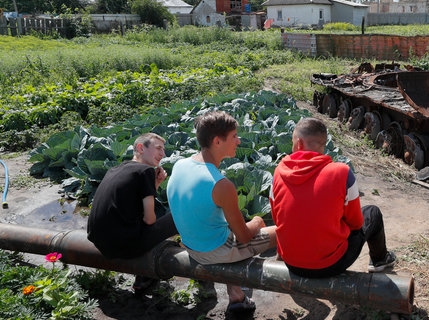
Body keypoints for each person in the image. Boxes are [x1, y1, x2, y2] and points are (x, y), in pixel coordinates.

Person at [166, 110, 277, 314]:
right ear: (217, 141)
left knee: (227, 227)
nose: (238, 140)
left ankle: (237, 294)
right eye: (234, 136)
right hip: (213, 251)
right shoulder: (220, 184)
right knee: (280, 231)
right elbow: (243, 236)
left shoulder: (180, 164)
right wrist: (258, 222)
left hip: (190, 244)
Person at [269, 117, 396, 278]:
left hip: (291, 263)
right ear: (324, 144)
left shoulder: (279, 171)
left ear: (299, 144)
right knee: (372, 213)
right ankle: (380, 261)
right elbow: (356, 223)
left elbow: (277, 217)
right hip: (330, 265)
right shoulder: (342, 172)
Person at [87, 133, 178, 293]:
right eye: (158, 148)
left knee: (144, 225)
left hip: (98, 242)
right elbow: (149, 220)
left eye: (163, 150)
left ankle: (144, 278)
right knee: (178, 217)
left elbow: (134, 207)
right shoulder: (145, 171)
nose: (162, 154)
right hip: (124, 246)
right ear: (140, 148)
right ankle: (201, 270)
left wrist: (155, 185)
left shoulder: (115, 169)